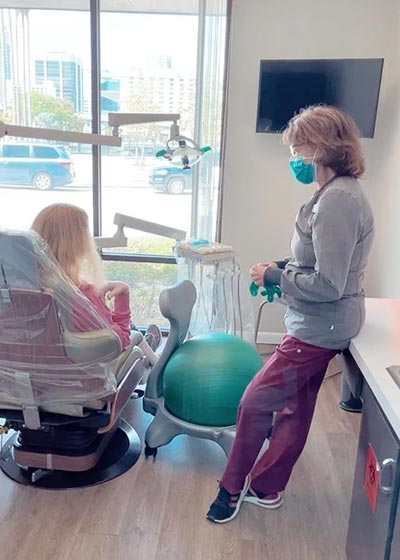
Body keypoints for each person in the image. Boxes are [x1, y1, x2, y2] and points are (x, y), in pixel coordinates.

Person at [206, 105, 374, 523]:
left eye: (297, 148)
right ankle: (267, 487)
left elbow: (329, 284)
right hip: (323, 322)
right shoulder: (335, 193)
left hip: (320, 327)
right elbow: (321, 262)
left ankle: (231, 490)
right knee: (295, 407)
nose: (293, 157)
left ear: (319, 147)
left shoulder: (338, 200)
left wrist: (278, 276)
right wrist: (279, 268)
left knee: (253, 404)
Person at [31, 203, 162, 352]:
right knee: (133, 334)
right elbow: (119, 341)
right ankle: (148, 350)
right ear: (79, 242)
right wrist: (123, 294)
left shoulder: (17, 294)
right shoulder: (83, 297)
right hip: (88, 370)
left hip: (32, 372)